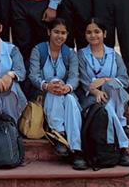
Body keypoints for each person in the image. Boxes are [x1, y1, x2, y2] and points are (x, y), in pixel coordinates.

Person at [29, 18, 84, 170]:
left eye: (63, 33)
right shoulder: (38, 50)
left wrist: (67, 88)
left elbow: (74, 77)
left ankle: (67, 142)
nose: (60, 36)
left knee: (71, 100)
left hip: (65, 95)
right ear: (49, 32)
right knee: (54, 84)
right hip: (44, 95)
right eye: (56, 32)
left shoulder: (70, 53)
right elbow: (33, 75)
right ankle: (67, 141)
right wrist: (47, 86)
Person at [78, 18, 129, 167]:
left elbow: (124, 79)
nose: (93, 35)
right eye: (89, 32)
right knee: (107, 107)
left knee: (112, 88)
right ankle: (123, 147)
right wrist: (96, 92)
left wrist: (104, 80)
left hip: (115, 99)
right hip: (92, 100)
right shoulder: (81, 55)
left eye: (97, 31)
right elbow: (84, 81)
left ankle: (121, 145)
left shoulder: (114, 54)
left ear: (104, 34)